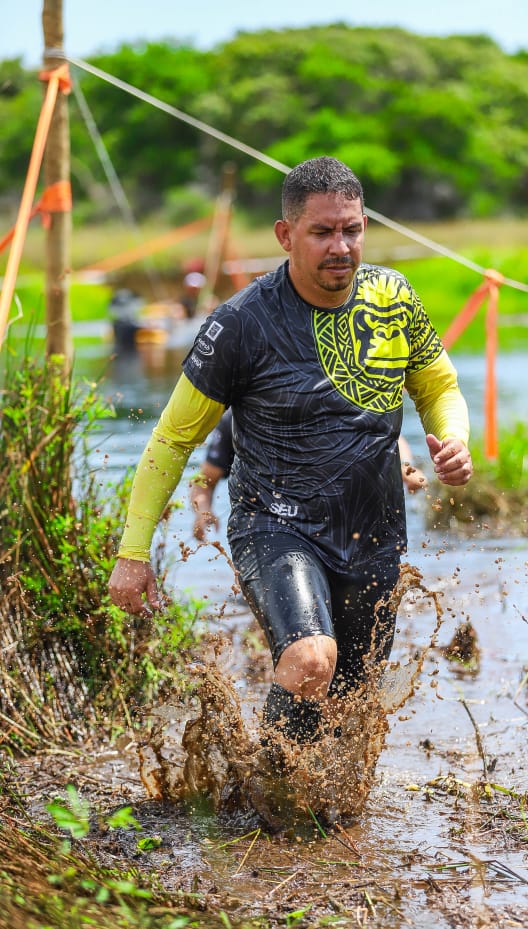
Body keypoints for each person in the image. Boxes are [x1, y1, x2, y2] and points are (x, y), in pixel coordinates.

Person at [109, 155, 472, 751]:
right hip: (276, 525)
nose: (341, 247)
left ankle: (333, 827)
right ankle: (271, 794)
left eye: (352, 229)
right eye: (322, 231)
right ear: (285, 235)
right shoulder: (240, 324)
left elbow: (437, 386)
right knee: (310, 661)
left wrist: (452, 442)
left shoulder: (392, 295)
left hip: (374, 529)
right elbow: (172, 438)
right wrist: (133, 552)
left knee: (354, 706)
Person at [189, 411, 427, 542]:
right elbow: (204, 481)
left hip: (335, 525)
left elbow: (387, 436)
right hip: (271, 533)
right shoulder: (235, 420)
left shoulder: (323, 401)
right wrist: (202, 513)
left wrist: (406, 469)